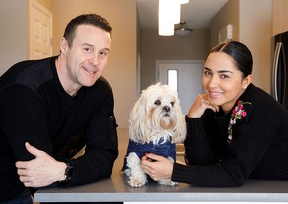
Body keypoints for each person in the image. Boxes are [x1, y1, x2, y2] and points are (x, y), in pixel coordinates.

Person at [0, 13, 119, 203]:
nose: (95, 61)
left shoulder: (100, 91)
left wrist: (65, 171)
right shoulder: (25, 88)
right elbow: (38, 172)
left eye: (103, 53)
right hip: (6, 186)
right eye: (87, 49)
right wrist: (65, 171)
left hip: (29, 186)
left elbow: (105, 155)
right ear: (65, 46)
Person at [141, 41, 288, 186]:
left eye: (224, 76)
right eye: (207, 73)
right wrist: (193, 118)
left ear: (246, 81)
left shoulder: (260, 108)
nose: (211, 84)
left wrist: (173, 171)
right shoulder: (212, 107)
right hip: (258, 187)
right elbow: (202, 164)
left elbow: (234, 174)